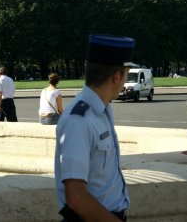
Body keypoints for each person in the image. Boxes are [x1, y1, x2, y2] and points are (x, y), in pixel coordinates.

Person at [55, 35, 137, 222]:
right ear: (116, 76)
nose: (125, 80)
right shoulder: (79, 120)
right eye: (126, 74)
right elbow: (76, 197)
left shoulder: (102, 109)